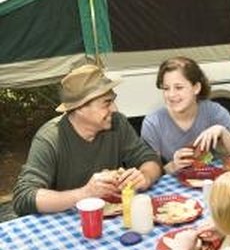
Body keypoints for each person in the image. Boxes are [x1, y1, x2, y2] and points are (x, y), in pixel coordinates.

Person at [13, 63, 162, 216]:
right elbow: (24, 197)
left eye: (113, 101)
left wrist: (144, 177)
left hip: (112, 219)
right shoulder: (50, 138)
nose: (115, 109)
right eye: (107, 103)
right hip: (65, 223)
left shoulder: (117, 123)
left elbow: (150, 159)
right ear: (80, 108)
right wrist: (85, 193)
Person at [141, 57, 230, 174]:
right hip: (173, 187)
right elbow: (150, 173)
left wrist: (223, 132)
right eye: (166, 88)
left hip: (209, 182)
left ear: (196, 88)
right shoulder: (153, 123)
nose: (171, 94)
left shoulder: (214, 112)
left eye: (179, 87)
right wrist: (173, 166)